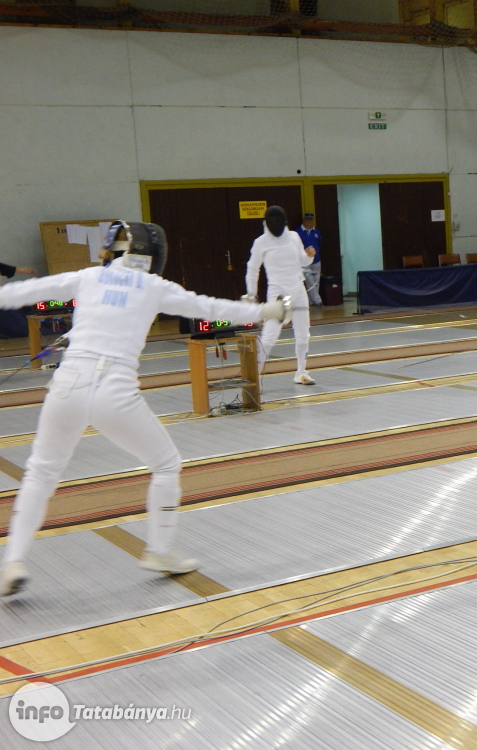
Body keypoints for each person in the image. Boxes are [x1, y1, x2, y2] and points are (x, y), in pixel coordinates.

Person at [0, 221, 290, 596]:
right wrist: (268, 310)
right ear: (152, 254)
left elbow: (21, 292)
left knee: (40, 473)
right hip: (113, 392)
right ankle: (159, 551)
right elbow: (210, 309)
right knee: (166, 464)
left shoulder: (88, 277)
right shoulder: (154, 286)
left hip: (67, 387)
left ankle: (12, 563)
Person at [246, 205, 316, 385]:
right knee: (270, 335)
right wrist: (251, 295)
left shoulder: (293, 237)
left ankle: (301, 373)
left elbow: (302, 261)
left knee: (303, 333)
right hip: (279, 294)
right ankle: (254, 374)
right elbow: (252, 269)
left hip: (298, 289)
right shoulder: (261, 242)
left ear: (284, 222)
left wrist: (309, 256)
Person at [296, 212, 323, 307]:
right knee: (309, 281)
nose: (309, 221)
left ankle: (312, 301)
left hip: (316, 260)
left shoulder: (317, 232)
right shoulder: (298, 232)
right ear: (304, 220)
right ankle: (317, 300)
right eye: (307, 219)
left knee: (316, 282)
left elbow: (319, 243)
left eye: (311, 220)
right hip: (304, 262)